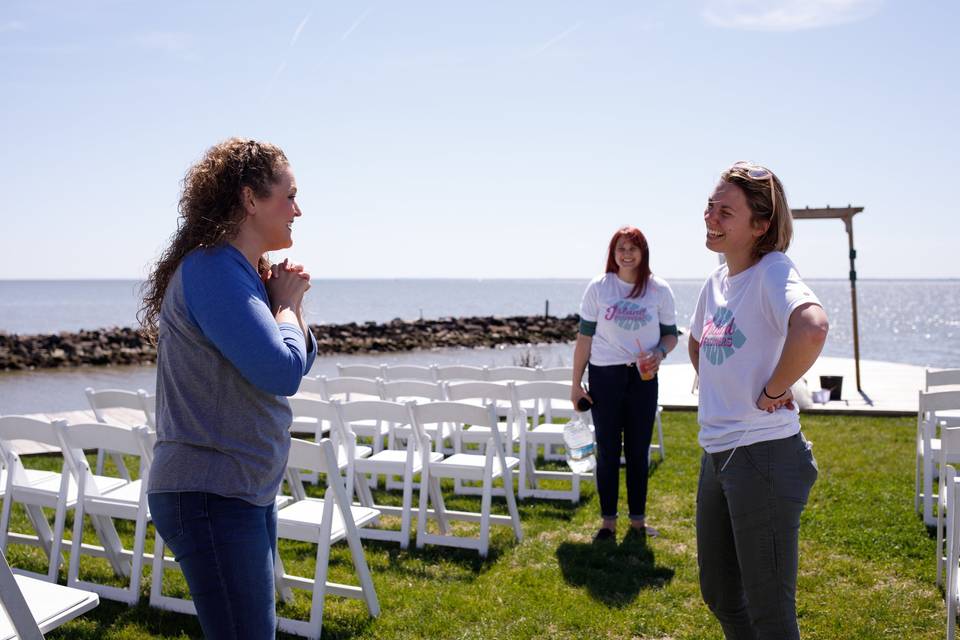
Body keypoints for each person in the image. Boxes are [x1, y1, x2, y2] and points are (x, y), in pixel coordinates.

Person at [138, 138, 316, 639]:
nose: (297, 210)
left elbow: (298, 361)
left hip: (239, 488)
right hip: (212, 492)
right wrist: (284, 307)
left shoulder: (236, 270)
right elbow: (282, 371)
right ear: (250, 199)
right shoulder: (214, 270)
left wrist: (286, 302)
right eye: (289, 195)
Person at [689, 161, 828, 639]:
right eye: (710, 207)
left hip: (764, 454)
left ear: (760, 224)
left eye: (725, 211)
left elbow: (811, 327)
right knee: (722, 595)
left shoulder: (772, 271)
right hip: (718, 452)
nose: (710, 217)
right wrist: (715, 381)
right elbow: (697, 340)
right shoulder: (717, 280)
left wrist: (773, 389)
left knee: (770, 613)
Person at [571, 226, 678, 542]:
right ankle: (607, 522)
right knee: (606, 450)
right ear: (612, 253)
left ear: (643, 252)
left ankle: (638, 522)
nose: (627, 254)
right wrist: (575, 383)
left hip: (643, 377)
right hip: (605, 375)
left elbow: (671, 335)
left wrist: (659, 353)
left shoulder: (658, 290)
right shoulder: (600, 288)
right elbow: (584, 337)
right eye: (621, 248)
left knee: (637, 450)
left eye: (633, 248)